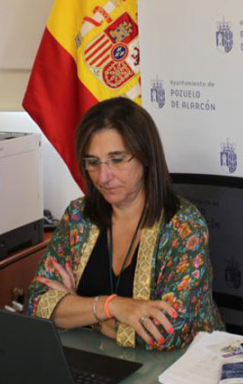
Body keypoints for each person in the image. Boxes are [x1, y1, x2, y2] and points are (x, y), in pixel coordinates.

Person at [26, 97, 223, 350]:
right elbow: (36, 304)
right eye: (93, 162)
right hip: (98, 360)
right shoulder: (78, 216)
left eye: (117, 160)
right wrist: (113, 306)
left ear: (146, 157)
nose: (103, 176)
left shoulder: (184, 226)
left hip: (179, 368)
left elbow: (167, 333)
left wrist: (81, 311)